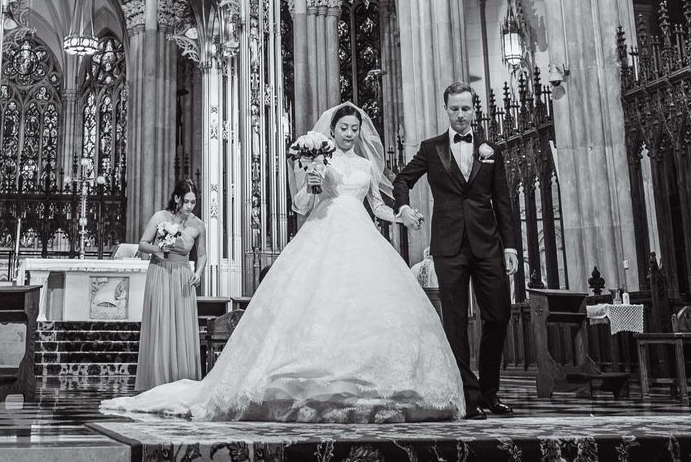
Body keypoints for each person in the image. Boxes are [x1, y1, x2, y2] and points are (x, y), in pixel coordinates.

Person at [101, 103, 463, 423]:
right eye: (343, 129)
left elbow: (378, 206)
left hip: (362, 236)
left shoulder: (366, 165)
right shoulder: (320, 160)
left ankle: (372, 384)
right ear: (332, 131)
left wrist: (402, 215)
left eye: (355, 129)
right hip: (323, 232)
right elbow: (302, 205)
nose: (350, 135)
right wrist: (312, 182)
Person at [393, 81, 521, 418]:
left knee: (498, 315)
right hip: (449, 246)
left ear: (473, 109)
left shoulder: (491, 149)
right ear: (446, 110)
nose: (460, 115)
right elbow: (402, 180)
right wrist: (404, 208)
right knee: (455, 322)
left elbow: (503, 202)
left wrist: (510, 246)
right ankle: (470, 396)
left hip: (487, 244)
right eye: (454, 109)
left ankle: (491, 392)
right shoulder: (432, 148)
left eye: (466, 108)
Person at [132, 180, 205, 390]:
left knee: (181, 325)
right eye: (187, 201)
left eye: (193, 202)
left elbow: (202, 254)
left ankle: (181, 378)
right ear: (177, 199)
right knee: (162, 322)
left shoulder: (198, 224)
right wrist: (158, 249)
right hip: (161, 272)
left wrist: (198, 273)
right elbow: (142, 244)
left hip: (183, 276)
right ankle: (158, 378)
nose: (190, 206)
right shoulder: (160, 217)